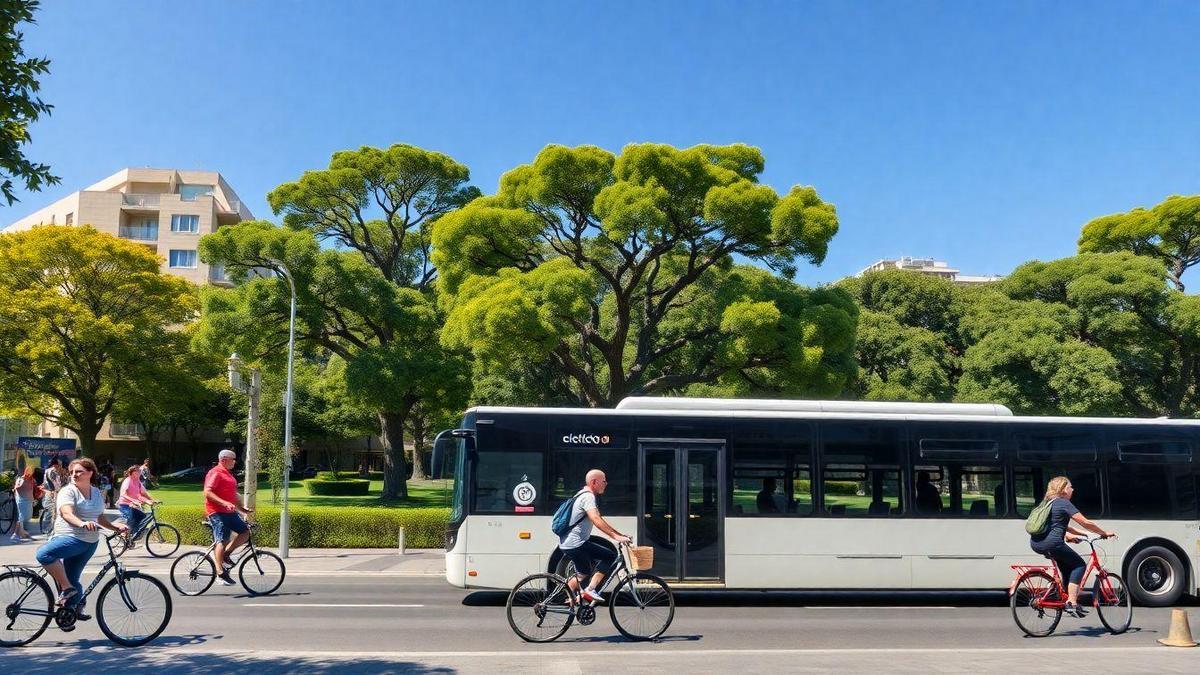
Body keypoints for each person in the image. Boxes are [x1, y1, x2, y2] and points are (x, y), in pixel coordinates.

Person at [35, 457, 127, 618]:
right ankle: (67, 589)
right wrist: (82, 523)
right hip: (70, 538)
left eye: (79, 471)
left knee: (72, 578)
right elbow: (66, 513)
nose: (74, 475)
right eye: (72, 472)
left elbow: (99, 518)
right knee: (43, 554)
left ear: (90, 473)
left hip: (89, 543)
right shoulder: (68, 491)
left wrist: (115, 526)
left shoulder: (97, 492)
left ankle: (71, 612)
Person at [1029, 476, 1115, 618]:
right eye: (1070, 487)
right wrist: (1103, 533)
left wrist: (1077, 536)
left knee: (1066, 567)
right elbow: (1085, 522)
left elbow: (1058, 525)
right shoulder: (1063, 503)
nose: (1072, 489)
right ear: (1064, 489)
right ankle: (1072, 602)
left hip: (1036, 543)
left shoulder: (1047, 503)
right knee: (1079, 565)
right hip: (1053, 544)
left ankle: (1060, 596)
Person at [557, 469, 632, 604]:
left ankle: (563, 596)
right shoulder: (588, 497)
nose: (606, 483)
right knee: (610, 556)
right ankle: (590, 589)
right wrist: (616, 537)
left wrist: (619, 535)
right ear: (594, 482)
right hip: (576, 543)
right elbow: (596, 519)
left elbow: (600, 519)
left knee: (583, 572)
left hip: (570, 543)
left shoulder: (581, 494)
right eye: (603, 481)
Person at [203, 449, 252, 586]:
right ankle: (220, 573)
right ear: (224, 459)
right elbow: (207, 492)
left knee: (245, 532)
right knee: (222, 540)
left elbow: (233, 495)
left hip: (229, 512)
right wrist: (224, 503)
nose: (235, 461)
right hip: (217, 512)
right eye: (233, 459)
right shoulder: (215, 473)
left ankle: (225, 555)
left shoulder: (228, 474)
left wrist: (242, 509)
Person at [117, 465, 156, 544]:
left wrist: (151, 500)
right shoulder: (128, 480)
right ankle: (124, 534)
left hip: (133, 505)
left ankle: (131, 536)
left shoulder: (138, 482)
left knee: (142, 516)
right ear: (132, 473)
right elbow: (123, 494)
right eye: (137, 471)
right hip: (124, 505)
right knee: (133, 517)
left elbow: (143, 494)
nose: (139, 472)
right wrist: (133, 500)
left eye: (139, 471)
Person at [11, 466, 36, 542]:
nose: (30, 472)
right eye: (28, 471)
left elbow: (32, 489)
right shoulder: (21, 479)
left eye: (31, 471)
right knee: (22, 517)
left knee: (27, 517)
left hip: (29, 500)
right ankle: (15, 535)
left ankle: (23, 533)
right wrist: (18, 486)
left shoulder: (31, 479)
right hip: (22, 500)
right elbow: (16, 488)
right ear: (25, 471)